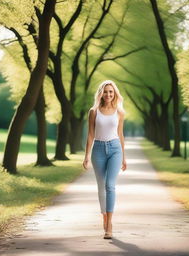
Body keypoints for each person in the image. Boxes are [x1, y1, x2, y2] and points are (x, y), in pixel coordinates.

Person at [83, 80, 127, 239]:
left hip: (115, 149)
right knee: (101, 186)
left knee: (110, 185)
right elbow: (90, 134)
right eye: (106, 91)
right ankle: (104, 215)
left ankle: (109, 225)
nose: (108, 94)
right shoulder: (93, 111)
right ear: (101, 93)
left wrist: (124, 157)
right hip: (98, 150)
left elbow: (121, 134)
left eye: (111, 92)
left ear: (114, 94)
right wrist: (86, 155)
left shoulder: (120, 112)